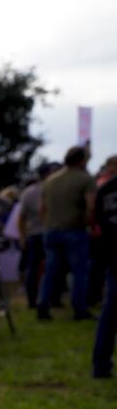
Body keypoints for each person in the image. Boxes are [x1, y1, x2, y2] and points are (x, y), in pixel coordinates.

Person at [39, 145, 98, 320]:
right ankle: (79, 309)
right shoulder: (85, 179)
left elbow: (42, 208)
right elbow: (91, 207)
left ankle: (43, 307)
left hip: (51, 230)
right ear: (82, 160)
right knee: (79, 272)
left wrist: (48, 224)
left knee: (50, 271)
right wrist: (88, 224)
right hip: (75, 231)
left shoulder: (50, 180)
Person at [18, 163, 60, 309]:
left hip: (33, 234)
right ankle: (53, 299)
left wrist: (22, 236)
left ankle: (32, 301)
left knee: (33, 269)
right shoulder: (52, 190)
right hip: (50, 232)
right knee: (54, 267)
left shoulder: (27, 192)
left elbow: (21, 217)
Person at [92, 157, 117, 377]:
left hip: (112, 256)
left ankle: (100, 365)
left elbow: (98, 222)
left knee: (109, 313)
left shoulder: (105, 190)